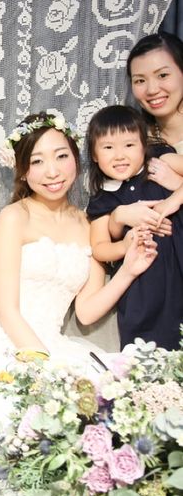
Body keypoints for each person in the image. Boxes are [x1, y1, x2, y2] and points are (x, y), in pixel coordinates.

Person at [0, 111, 157, 362]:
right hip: (5, 342)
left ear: (76, 159)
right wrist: (42, 364)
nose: (52, 172)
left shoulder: (88, 225)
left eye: (62, 156)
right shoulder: (14, 217)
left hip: (54, 345)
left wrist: (128, 270)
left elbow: (86, 312)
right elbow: (7, 311)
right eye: (37, 161)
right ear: (22, 170)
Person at [86, 105, 183, 350]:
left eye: (129, 145)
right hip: (145, 288)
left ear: (143, 145)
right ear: (95, 155)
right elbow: (99, 248)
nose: (119, 155)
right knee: (151, 353)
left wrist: (173, 199)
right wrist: (123, 245)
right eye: (108, 148)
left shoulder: (159, 161)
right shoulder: (104, 198)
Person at [127, 31, 183, 192]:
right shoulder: (136, 141)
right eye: (140, 80)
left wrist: (177, 184)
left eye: (163, 75)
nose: (152, 90)